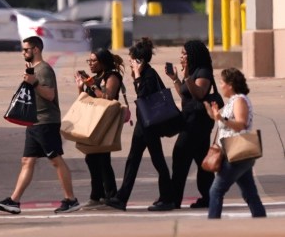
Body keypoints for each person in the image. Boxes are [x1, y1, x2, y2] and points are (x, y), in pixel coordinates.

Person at [0, 36, 80, 214]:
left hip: (46, 122)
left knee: (56, 159)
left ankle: (71, 199)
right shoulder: (34, 69)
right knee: (27, 160)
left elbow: (49, 94)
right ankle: (14, 201)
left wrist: (33, 83)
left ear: (36, 50)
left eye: (26, 49)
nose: (23, 53)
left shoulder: (44, 69)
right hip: (34, 122)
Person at [106, 38, 175, 211]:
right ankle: (122, 198)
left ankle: (167, 198)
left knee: (158, 161)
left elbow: (143, 96)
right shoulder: (145, 74)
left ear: (140, 60)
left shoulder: (149, 75)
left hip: (150, 125)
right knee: (133, 160)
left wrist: (137, 75)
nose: (129, 62)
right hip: (143, 124)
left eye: (132, 59)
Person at [204, 68, 266, 219]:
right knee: (250, 193)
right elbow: (226, 123)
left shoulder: (239, 100)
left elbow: (241, 124)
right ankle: (261, 220)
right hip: (237, 154)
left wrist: (221, 119)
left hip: (237, 153)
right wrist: (214, 115)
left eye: (222, 82)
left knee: (216, 191)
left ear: (230, 85)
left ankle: (212, 224)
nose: (220, 85)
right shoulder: (233, 100)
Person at [166, 40, 216, 209]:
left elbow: (200, 94)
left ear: (194, 55)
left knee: (180, 155)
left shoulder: (203, 72)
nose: (181, 57)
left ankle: (174, 199)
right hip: (190, 120)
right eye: (181, 54)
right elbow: (185, 95)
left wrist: (187, 76)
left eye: (184, 54)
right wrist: (175, 79)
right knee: (203, 163)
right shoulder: (193, 71)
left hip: (197, 123)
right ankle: (210, 197)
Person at [75, 49, 123, 208]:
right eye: (89, 61)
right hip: (92, 123)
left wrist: (93, 86)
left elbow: (108, 98)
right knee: (91, 158)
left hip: (105, 123)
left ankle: (110, 195)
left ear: (103, 62)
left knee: (102, 158)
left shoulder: (112, 76)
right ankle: (97, 195)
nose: (90, 64)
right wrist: (81, 88)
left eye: (93, 61)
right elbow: (85, 100)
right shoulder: (94, 79)